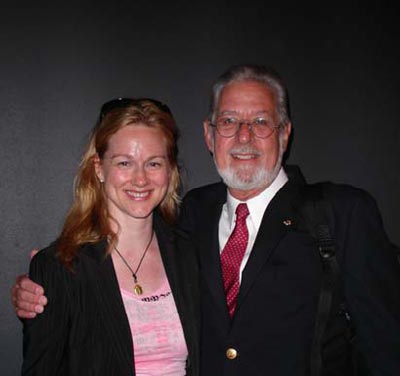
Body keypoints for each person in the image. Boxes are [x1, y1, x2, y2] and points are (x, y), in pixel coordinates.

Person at [12, 65, 400, 375]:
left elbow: (384, 346)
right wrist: (39, 285)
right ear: (210, 136)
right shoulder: (193, 214)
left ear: (284, 134)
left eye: (261, 122)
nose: (244, 136)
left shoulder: (341, 213)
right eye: (229, 122)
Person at [17, 98, 200, 375]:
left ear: (170, 170)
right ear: (99, 168)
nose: (140, 179)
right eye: (125, 163)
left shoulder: (192, 254)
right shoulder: (60, 267)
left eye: (153, 163)